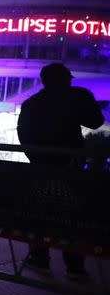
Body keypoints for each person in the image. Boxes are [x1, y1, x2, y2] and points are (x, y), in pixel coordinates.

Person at [17, 63, 104, 280]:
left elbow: (24, 135)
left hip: (42, 166)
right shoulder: (77, 97)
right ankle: (75, 265)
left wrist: (37, 159)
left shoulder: (33, 104)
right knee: (72, 214)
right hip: (71, 166)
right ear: (67, 79)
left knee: (39, 212)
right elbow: (95, 121)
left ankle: (40, 257)